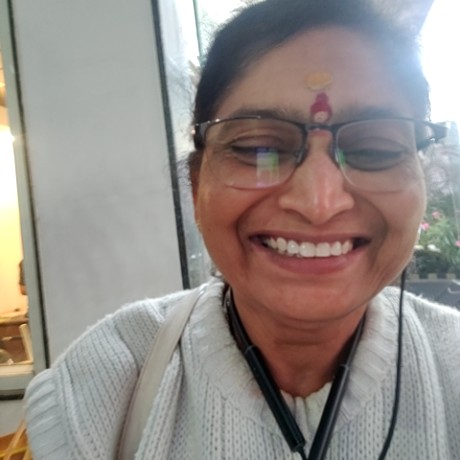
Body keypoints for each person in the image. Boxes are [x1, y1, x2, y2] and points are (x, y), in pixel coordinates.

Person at [24, 0, 460, 458]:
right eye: (257, 149)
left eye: (373, 150)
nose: (319, 204)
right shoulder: (96, 393)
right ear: (196, 185)